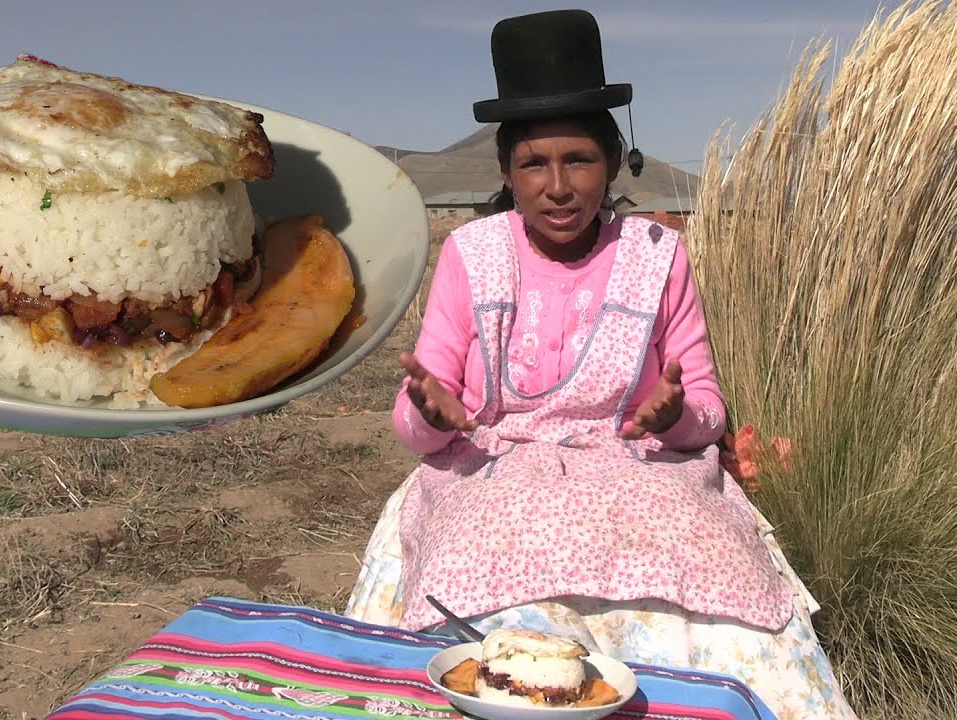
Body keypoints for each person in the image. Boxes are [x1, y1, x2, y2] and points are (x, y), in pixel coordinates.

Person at [344, 9, 857, 719]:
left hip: (642, 470)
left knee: (721, 587)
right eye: (533, 164)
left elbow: (702, 403)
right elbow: (419, 417)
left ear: (612, 164)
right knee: (488, 588)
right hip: (495, 471)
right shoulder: (472, 256)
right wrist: (430, 415)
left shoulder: (658, 254)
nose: (558, 186)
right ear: (506, 171)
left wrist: (678, 418)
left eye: (579, 160)